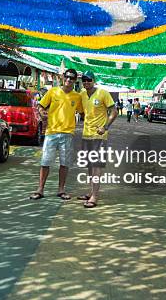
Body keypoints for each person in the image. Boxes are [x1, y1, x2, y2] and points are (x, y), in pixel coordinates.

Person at [29, 69, 83, 201]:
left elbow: (83, 113)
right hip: (51, 133)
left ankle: (61, 190)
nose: (69, 80)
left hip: (67, 134)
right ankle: (40, 189)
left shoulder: (77, 97)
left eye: (72, 78)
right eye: (67, 77)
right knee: (45, 162)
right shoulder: (53, 91)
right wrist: (42, 113)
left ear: (75, 81)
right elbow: (40, 105)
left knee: (64, 164)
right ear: (63, 78)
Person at [77, 71, 118, 208]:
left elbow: (114, 111)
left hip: (99, 136)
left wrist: (105, 127)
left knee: (96, 166)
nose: (86, 82)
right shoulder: (82, 94)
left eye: (89, 80)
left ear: (94, 80)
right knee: (89, 165)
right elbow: (82, 111)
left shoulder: (103, 93)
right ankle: (91, 192)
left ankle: (95, 196)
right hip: (86, 134)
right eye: (84, 80)